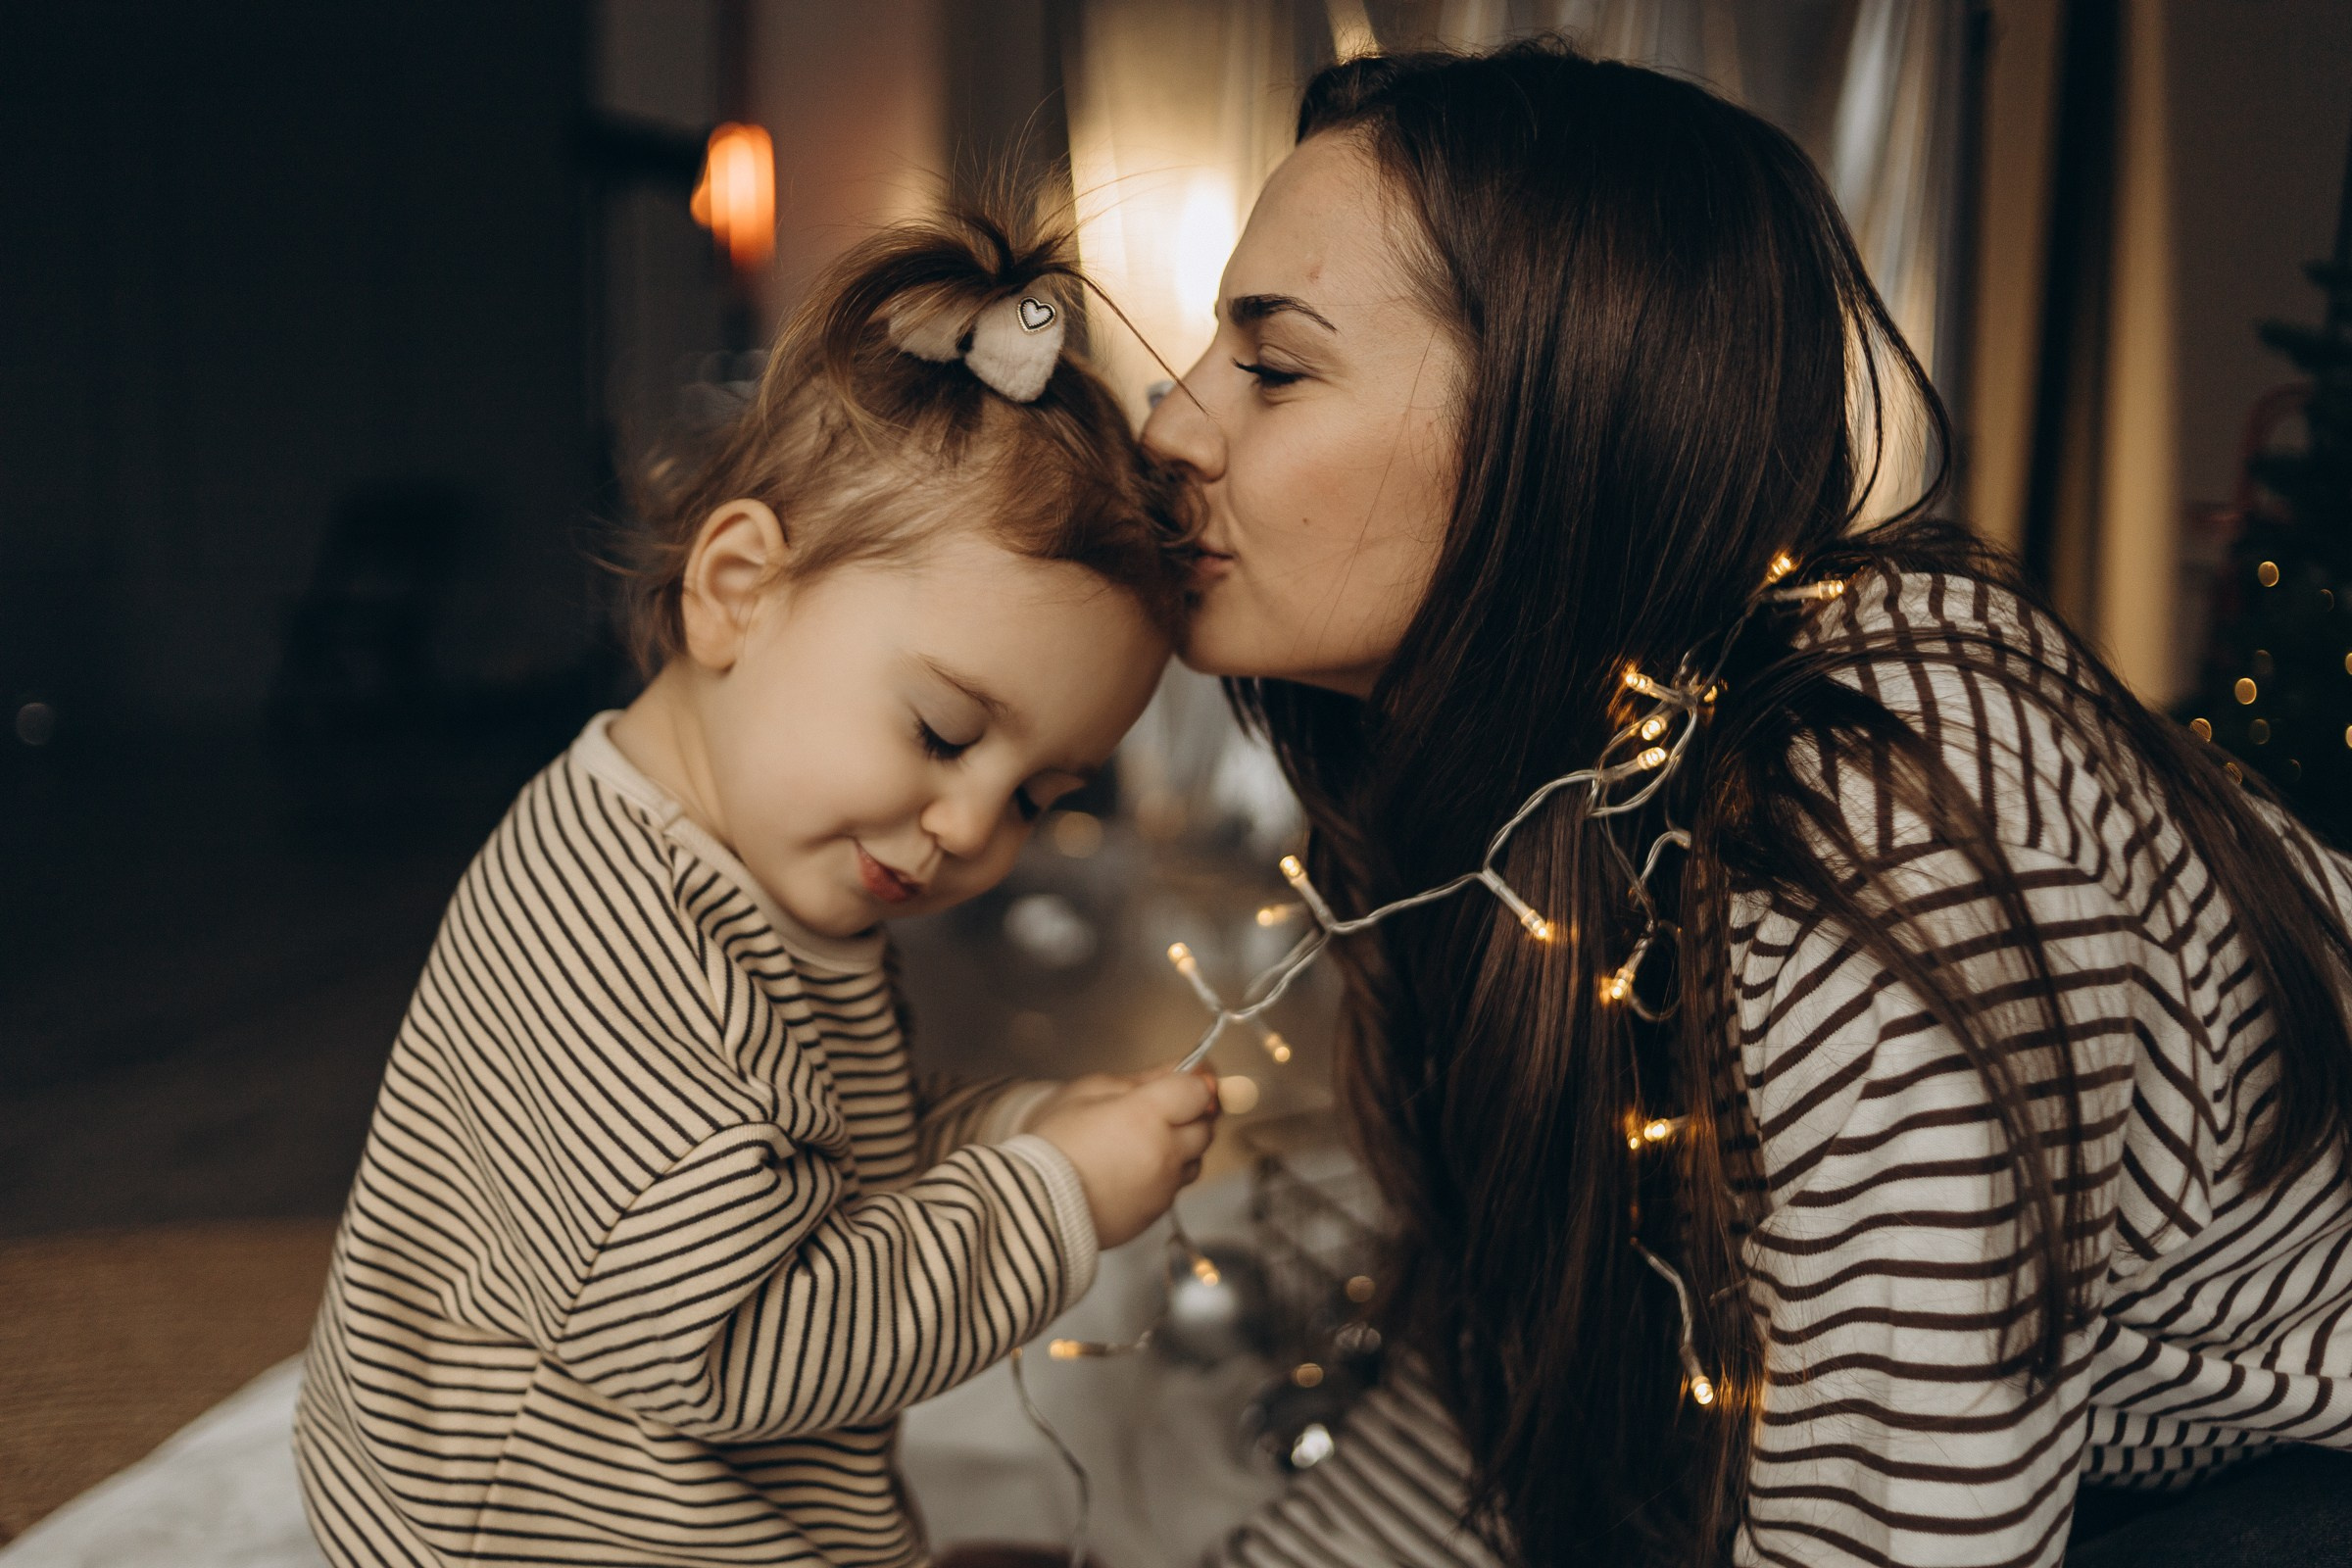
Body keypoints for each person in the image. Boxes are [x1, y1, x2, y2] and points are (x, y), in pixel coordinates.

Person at [1141, 40, 2352, 1568]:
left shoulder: (1886, 827)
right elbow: (1497, 1397)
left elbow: (1901, 1540)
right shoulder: (1527, 800)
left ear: (1559, 416)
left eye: (1271, 364)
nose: (1172, 423)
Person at [295, 206, 1222, 1567]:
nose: (970, 824)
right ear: (738, 589)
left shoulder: (759, 860)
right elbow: (736, 1346)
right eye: (944, 734)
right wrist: (1050, 1198)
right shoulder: (612, 940)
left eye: (1039, 795)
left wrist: (1022, 1124)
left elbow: (830, 1171)